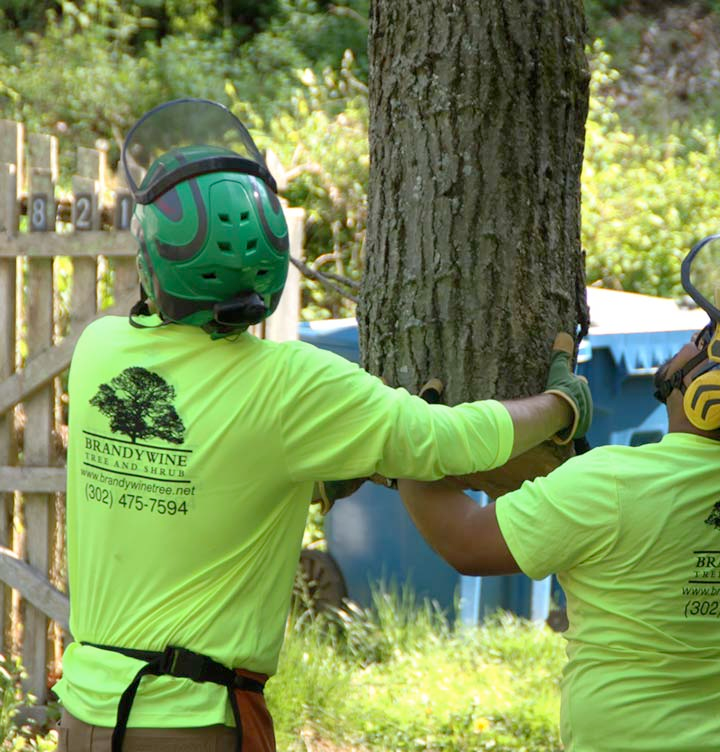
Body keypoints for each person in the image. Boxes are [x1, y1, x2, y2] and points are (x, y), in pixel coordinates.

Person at [52, 98, 593, 752]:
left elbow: (208, 472)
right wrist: (560, 407)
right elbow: (443, 439)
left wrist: (327, 476)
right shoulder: (287, 385)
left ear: (153, 260)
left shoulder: (100, 350)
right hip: (184, 726)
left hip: (83, 714)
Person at [399, 235, 720, 752]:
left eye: (705, 338)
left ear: (717, 393)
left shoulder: (611, 485)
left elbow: (463, 542)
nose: (688, 341)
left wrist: (409, 445)